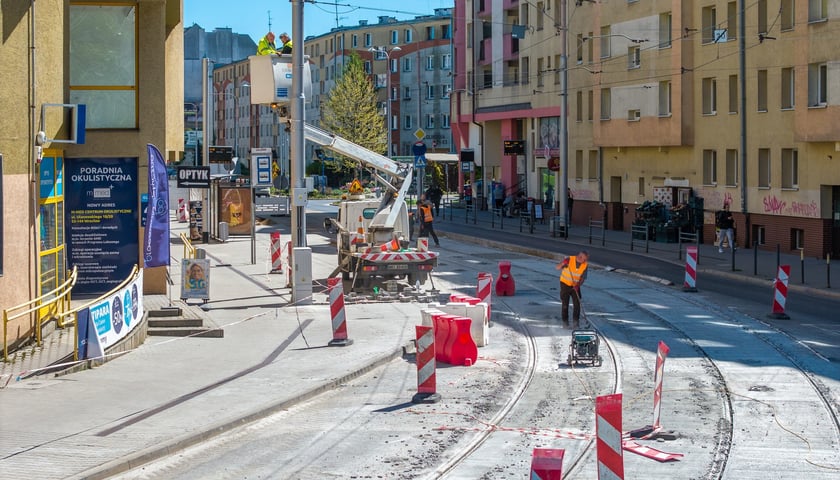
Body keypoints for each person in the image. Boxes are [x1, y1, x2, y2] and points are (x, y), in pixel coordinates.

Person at [556, 250, 589, 328]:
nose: (585, 261)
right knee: (565, 304)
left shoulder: (585, 265)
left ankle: (575, 323)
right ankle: (565, 323)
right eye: (584, 259)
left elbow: (583, 278)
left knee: (577, 304)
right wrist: (564, 263)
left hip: (575, 286)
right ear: (579, 257)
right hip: (565, 284)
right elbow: (557, 267)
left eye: (586, 259)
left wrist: (578, 285)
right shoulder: (569, 259)